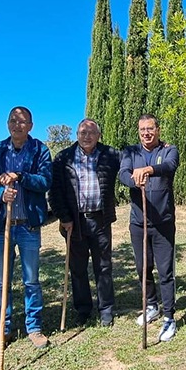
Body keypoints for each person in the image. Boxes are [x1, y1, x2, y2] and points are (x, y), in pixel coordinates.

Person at [0, 106, 52, 352]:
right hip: (3, 227)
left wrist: (21, 176)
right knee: (2, 282)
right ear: (7, 124)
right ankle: (2, 329)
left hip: (28, 227)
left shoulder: (40, 150)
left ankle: (34, 328)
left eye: (22, 121)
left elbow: (45, 182)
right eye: (13, 120)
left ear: (30, 126)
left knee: (31, 280)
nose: (17, 125)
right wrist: (1, 193)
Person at [49, 118, 121, 328]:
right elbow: (55, 192)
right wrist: (64, 217)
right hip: (74, 222)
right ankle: (82, 309)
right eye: (82, 132)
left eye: (91, 133)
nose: (86, 136)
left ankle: (106, 309)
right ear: (77, 135)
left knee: (104, 266)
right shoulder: (64, 158)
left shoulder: (110, 154)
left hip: (101, 219)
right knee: (77, 268)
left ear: (99, 135)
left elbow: (130, 161)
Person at [120, 114, 180, 342]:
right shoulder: (130, 152)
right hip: (139, 221)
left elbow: (169, 166)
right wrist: (134, 180)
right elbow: (123, 173)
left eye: (150, 128)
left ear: (158, 129)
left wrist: (148, 170)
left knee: (165, 272)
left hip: (163, 222)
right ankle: (151, 305)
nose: (146, 132)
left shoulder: (169, 150)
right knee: (143, 268)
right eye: (142, 129)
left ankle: (169, 317)